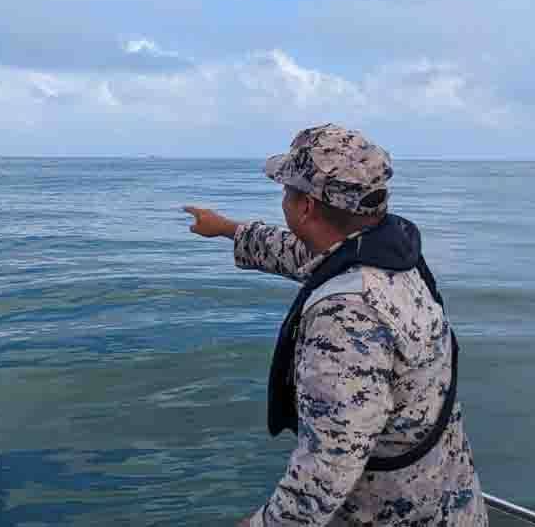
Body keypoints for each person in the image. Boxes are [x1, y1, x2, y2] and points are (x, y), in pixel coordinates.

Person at [183, 124, 488, 527]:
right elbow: (305, 256)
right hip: (451, 498)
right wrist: (226, 229)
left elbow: (329, 465)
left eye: (286, 190)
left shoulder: (346, 317)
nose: (283, 199)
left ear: (306, 207)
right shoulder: (391, 252)